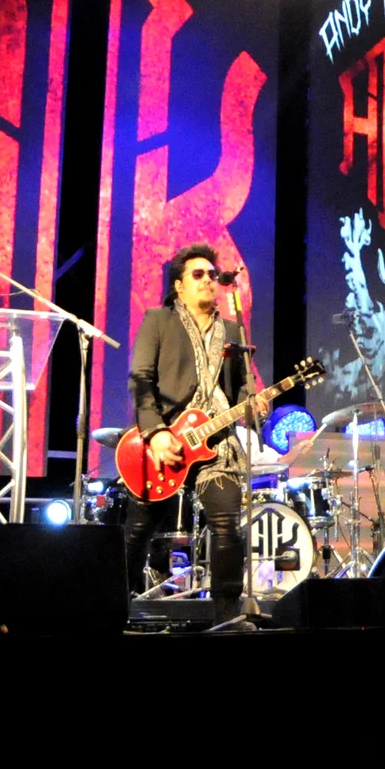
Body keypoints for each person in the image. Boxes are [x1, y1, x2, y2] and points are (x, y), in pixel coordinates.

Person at [125, 243, 255, 611]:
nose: (208, 280)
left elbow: (240, 389)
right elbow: (141, 378)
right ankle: (114, 610)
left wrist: (253, 404)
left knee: (228, 528)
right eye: (198, 274)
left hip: (217, 442)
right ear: (179, 286)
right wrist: (156, 432)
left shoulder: (233, 330)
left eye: (212, 274)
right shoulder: (159, 320)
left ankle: (226, 616)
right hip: (164, 441)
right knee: (137, 534)